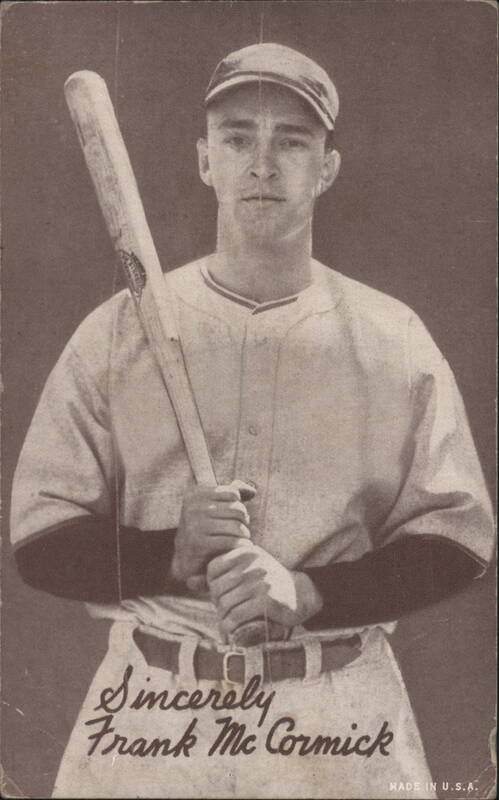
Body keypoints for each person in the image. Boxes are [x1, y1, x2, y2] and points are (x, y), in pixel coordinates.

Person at [10, 43, 494, 799]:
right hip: (151, 709)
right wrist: (169, 555)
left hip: (337, 715)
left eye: (291, 141)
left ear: (327, 167)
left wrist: (309, 594)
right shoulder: (115, 332)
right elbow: (39, 541)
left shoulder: (390, 337)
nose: (262, 165)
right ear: (206, 160)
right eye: (238, 138)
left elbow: (458, 542)